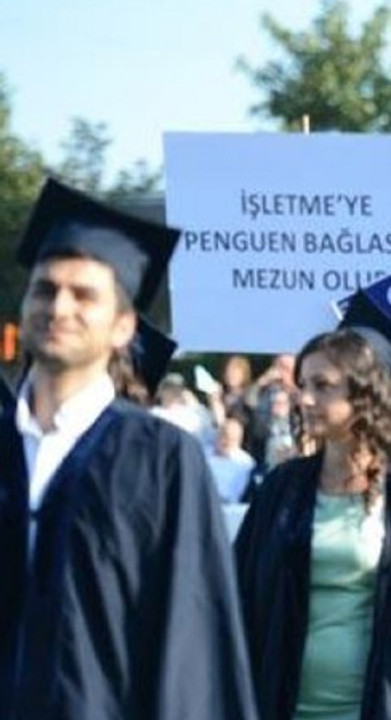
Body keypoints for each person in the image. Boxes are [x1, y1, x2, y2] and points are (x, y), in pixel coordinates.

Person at [0, 177, 255, 718]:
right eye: (44, 289)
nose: (58, 306)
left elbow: (190, 644)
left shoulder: (160, 459)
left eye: (83, 295)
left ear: (123, 327)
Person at [234, 290, 391, 720]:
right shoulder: (283, 489)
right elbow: (239, 603)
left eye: (323, 386)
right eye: (304, 385)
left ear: (365, 395)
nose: (306, 398)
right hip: (281, 704)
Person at [207, 417, 256, 503]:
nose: (223, 440)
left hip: (230, 506)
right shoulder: (204, 454)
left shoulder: (245, 462)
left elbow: (240, 491)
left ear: (238, 440)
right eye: (221, 435)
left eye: (228, 438)